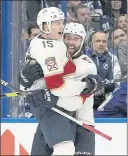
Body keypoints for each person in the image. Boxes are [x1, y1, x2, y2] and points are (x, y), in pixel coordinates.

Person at [18, 7, 100, 155]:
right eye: (67, 37)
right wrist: (25, 78)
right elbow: (46, 75)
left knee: (64, 149)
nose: (70, 42)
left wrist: (90, 85)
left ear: (83, 41)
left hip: (81, 124)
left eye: (76, 39)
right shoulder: (55, 50)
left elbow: (62, 90)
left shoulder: (86, 65)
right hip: (54, 112)